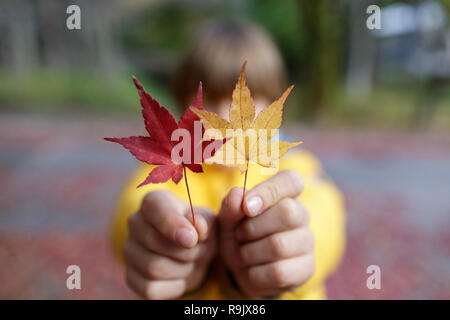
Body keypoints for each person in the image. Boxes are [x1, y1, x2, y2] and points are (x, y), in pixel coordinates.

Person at [110, 19, 346, 299]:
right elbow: (134, 208)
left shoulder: (292, 165)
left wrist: (296, 247)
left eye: (245, 98)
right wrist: (154, 237)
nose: (224, 115)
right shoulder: (168, 167)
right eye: (207, 98)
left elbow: (324, 212)